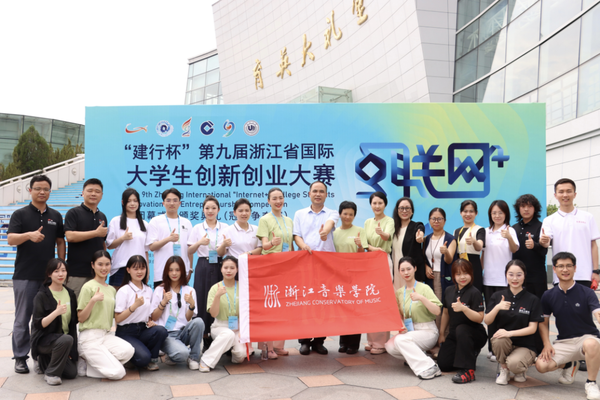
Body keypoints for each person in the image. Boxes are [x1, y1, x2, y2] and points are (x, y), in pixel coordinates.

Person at [7, 174, 65, 374]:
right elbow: (11, 239)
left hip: (48, 278)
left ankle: (41, 356)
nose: (42, 192)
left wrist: (61, 265)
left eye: (46, 189)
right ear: (30, 190)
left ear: (50, 191)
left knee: (45, 319)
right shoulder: (20, 214)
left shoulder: (55, 216)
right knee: (22, 318)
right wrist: (28, 235)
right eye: (38, 188)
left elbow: (60, 241)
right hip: (25, 275)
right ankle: (20, 357)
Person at [535, 252, 600, 400]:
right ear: (555, 269)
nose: (565, 270)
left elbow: (597, 313)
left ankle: (591, 383)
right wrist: (546, 344)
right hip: (564, 341)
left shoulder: (587, 292)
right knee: (541, 366)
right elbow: (543, 323)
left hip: (587, 339)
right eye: (561, 266)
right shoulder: (548, 295)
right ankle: (569, 365)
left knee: (591, 344)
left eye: (569, 266)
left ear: (575, 268)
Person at [293, 181, 339, 356]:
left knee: (323, 303)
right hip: (305, 263)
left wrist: (324, 232)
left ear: (326, 195)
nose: (318, 194)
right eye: (315, 191)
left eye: (321, 191)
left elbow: (329, 225)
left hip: (325, 265)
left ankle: (319, 340)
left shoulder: (332, 213)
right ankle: (304, 341)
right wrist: (303, 245)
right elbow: (296, 235)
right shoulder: (299, 213)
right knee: (305, 302)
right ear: (309, 194)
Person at [77, 251, 135, 380]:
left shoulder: (112, 290)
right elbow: (80, 318)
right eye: (100, 264)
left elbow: (116, 316)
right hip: (89, 337)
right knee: (118, 373)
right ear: (93, 265)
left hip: (105, 335)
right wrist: (93, 300)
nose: (104, 268)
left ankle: (90, 363)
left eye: (107, 264)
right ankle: (86, 358)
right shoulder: (88, 287)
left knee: (128, 351)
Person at [484, 260, 543, 385]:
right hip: (504, 343)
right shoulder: (497, 296)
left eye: (519, 275)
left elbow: (532, 328)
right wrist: (497, 307)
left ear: (524, 275)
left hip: (525, 345)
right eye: (511, 274)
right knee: (498, 339)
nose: (515, 278)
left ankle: (519, 370)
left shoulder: (532, 299)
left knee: (515, 364)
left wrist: (509, 333)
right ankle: (504, 369)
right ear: (506, 275)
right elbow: (487, 320)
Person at [385, 256, 442, 380]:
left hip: (427, 330)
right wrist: (402, 325)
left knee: (400, 341)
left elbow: (437, 311)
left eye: (409, 269)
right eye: (402, 270)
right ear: (399, 272)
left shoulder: (424, 288)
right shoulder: (399, 292)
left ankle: (429, 367)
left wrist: (421, 298)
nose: (406, 272)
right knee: (389, 346)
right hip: (410, 330)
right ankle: (417, 356)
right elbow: (399, 314)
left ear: (415, 268)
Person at [541, 178, 600, 288]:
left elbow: (593, 245)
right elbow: (545, 243)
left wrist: (596, 271)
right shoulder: (549, 220)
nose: (565, 195)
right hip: (561, 275)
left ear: (574, 194)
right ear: (555, 195)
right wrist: (543, 241)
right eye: (561, 192)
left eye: (569, 191)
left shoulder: (588, 217)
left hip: (584, 275)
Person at [256, 187, 293, 358]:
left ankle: (279, 345)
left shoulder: (288, 220)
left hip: (286, 267)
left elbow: (290, 246)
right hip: (270, 267)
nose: (278, 201)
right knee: (270, 305)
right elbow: (264, 246)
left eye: (280, 198)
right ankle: (268, 347)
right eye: (274, 198)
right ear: (268, 201)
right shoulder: (264, 219)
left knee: (283, 306)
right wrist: (272, 243)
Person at [150, 256, 205, 370]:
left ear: (182, 271)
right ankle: (173, 353)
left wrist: (192, 305)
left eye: (177, 270)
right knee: (182, 354)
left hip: (183, 332)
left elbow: (188, 318)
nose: (174, 273)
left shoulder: (189, 290)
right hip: (166, 334)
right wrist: (163, 302)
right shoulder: (160, 290)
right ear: (166, 271)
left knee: (199, 322)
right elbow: (154, 317)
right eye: (171, 270)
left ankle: (193, 358)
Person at [437, 259, 487, 384]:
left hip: (474, 334)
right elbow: (446, 313)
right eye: (458, 274)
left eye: (465, 273)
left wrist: (464, 308)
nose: (462, 277)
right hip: (455, 334)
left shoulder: (475, 293)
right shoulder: (449, 291)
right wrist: (442, 333)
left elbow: (480, 318)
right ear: (453, 276)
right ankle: (469, 354)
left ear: (471, 273)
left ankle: (468, 370)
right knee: (443, 364)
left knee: (462, 329)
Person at [115, 255, 168, 371]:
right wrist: (134, 306)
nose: (139, 272)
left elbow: (149, 315)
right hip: (126, 332)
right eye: (135, 268)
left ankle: (152, 359)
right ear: (128, 270)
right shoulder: (124, 290)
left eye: (142, 268)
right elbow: (117, 319)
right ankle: (130, 358)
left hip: (142, 329)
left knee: (161, 331)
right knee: (143, 358)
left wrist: (150, 321)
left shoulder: (148, 290)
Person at [30, 259, 78, 385]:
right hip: (44, 340)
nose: (60, 274)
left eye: (63, 270)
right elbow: (39, 324)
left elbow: (73, 324)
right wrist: (56, 312)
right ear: (49, 274)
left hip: (63, 341)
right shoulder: (42, 295)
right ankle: (51, 373)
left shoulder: (70, 294)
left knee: (72, 373)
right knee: (66, 339)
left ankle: (45, 361)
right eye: (56, 271)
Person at [187, 195, 229, 340]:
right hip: (203, 264)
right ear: (203, 210)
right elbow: (190, 250)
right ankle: (203, 334)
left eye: (213, 208)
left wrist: (223, 245)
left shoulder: (225, 227)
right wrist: (199, 242)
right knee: (202, 296)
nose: (210, 211)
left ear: (219, 210)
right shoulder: (197, 228)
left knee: (219, 296)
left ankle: (218, 332)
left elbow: (224, 252)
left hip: (220, 264)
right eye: (207, 208)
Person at [333, 201, 368, 354]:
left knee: (354, 309)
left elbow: (362, 255)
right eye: (345, 213)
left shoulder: (360, 231)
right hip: (338, 276)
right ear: (340, 214)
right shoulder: (334, 233)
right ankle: (343, 342)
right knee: (343, 309)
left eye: (351, 214)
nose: (347, 217)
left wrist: (360, 245)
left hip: (355, 276)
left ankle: (353, 344)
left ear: (354, 216)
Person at [200, 256, 245, 372]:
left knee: (240, 355)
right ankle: (206, 360)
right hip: (220, 325)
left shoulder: (243, 287)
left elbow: (247, 311)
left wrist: (243, 329)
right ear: (221, 269)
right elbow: (213, 314)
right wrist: (217, 296)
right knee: (228, 334)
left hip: (238, 327)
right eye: (226, 268)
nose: (229, 271)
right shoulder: (215, 288)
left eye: (232, 268)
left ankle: (227, 349)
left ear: (237, 269)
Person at [64, 178, 108, 297]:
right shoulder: (73, 213)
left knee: (96, 306)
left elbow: (102, 243)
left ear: (102, 195)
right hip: (77, 273)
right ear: (83, 193)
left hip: (97, 274)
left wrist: (104, 267)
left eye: (97, 191)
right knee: (75, 305)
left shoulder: (102, 216)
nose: (93, 194)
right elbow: (70, 236)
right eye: (90, 191)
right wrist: (95, 233)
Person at [364, 191, 395, 355]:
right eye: (374, 203)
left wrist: (381, 234)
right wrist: (372, 248)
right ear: (371, 205)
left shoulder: (389, 221)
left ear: (385, 204)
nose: (377, 206)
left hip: (383, 261)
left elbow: (387, 237)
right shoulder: (367, 222)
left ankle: (381, 342)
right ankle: (371, 340)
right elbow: (364, 243)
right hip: (370, 261)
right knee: (370, 300)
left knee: (381, 300)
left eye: (380, 203)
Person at [147, 188, 193, 287]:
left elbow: (190, 249)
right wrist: (168, 239)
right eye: (168, 200)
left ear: (180, 203)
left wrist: (190, 269)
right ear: (163, 203)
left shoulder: (187, 223)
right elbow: (152, 247)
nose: (172, 203)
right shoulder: (155, 221)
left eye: (175, 200)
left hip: (182, 273)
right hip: (161, 273)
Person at [107, 188, 149, 287]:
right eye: (129, 201)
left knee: (138, 296)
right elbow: (109, 245)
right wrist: (123, 238)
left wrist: (147, 270)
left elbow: (146, 251)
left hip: (139, 269)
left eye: (135, 201)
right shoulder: (116, 221)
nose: (132, 204)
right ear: (123, 202)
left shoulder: (145, 224)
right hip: (120, 267)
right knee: (118, 296)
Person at [482, 200, 519, 312]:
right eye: (494, 213)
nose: (497, 216)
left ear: (506, 214)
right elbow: (483, 254)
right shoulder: (485, 231)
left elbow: (514, 249)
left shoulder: (510, 230)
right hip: (488, 279)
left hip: (503, 280)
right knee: (490, 311)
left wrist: (508, 237)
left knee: (504, 312)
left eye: (500, 213)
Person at [512, 194, 548, 299]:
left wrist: (534, 246)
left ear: (535, 209)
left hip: (536, 278)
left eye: (530, 206)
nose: (526, 209)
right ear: (518, 209)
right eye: (523, 206)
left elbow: (544, 251)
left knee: (538, 306)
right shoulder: (514, 228)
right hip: (517, 278)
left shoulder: (541, 227)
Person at [423, 207, 457, 302]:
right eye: (433, 219)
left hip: (443, 277)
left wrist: (446, 252)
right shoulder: (426, 239)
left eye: (439, 219)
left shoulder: (450, 239)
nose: (436, 221)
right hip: (429, 277)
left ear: (444, 221)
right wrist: (426, 267)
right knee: (430, 304)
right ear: (429, 220)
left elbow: (449, 261)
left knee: (441, 304)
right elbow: (423, 258)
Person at [391, 197, 425, 288]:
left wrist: (420, 236)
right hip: (395, 271)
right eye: (401, 208)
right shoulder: (392, 228)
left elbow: (420, 229)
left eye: (407, 208)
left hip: (410, 272)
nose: (404, 211)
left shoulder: (416, 226)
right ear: (397, 210)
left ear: (412, 211)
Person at [453, 200, 485, 292]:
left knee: (475, 293)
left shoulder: (480, 229)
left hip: (473, 266)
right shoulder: (456, 231)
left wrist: (474, 241)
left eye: (471, 211)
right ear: (461, 213)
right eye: (465, 211)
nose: (468, 214)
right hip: (459, 267)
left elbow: (479, 247)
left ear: (476, 213)